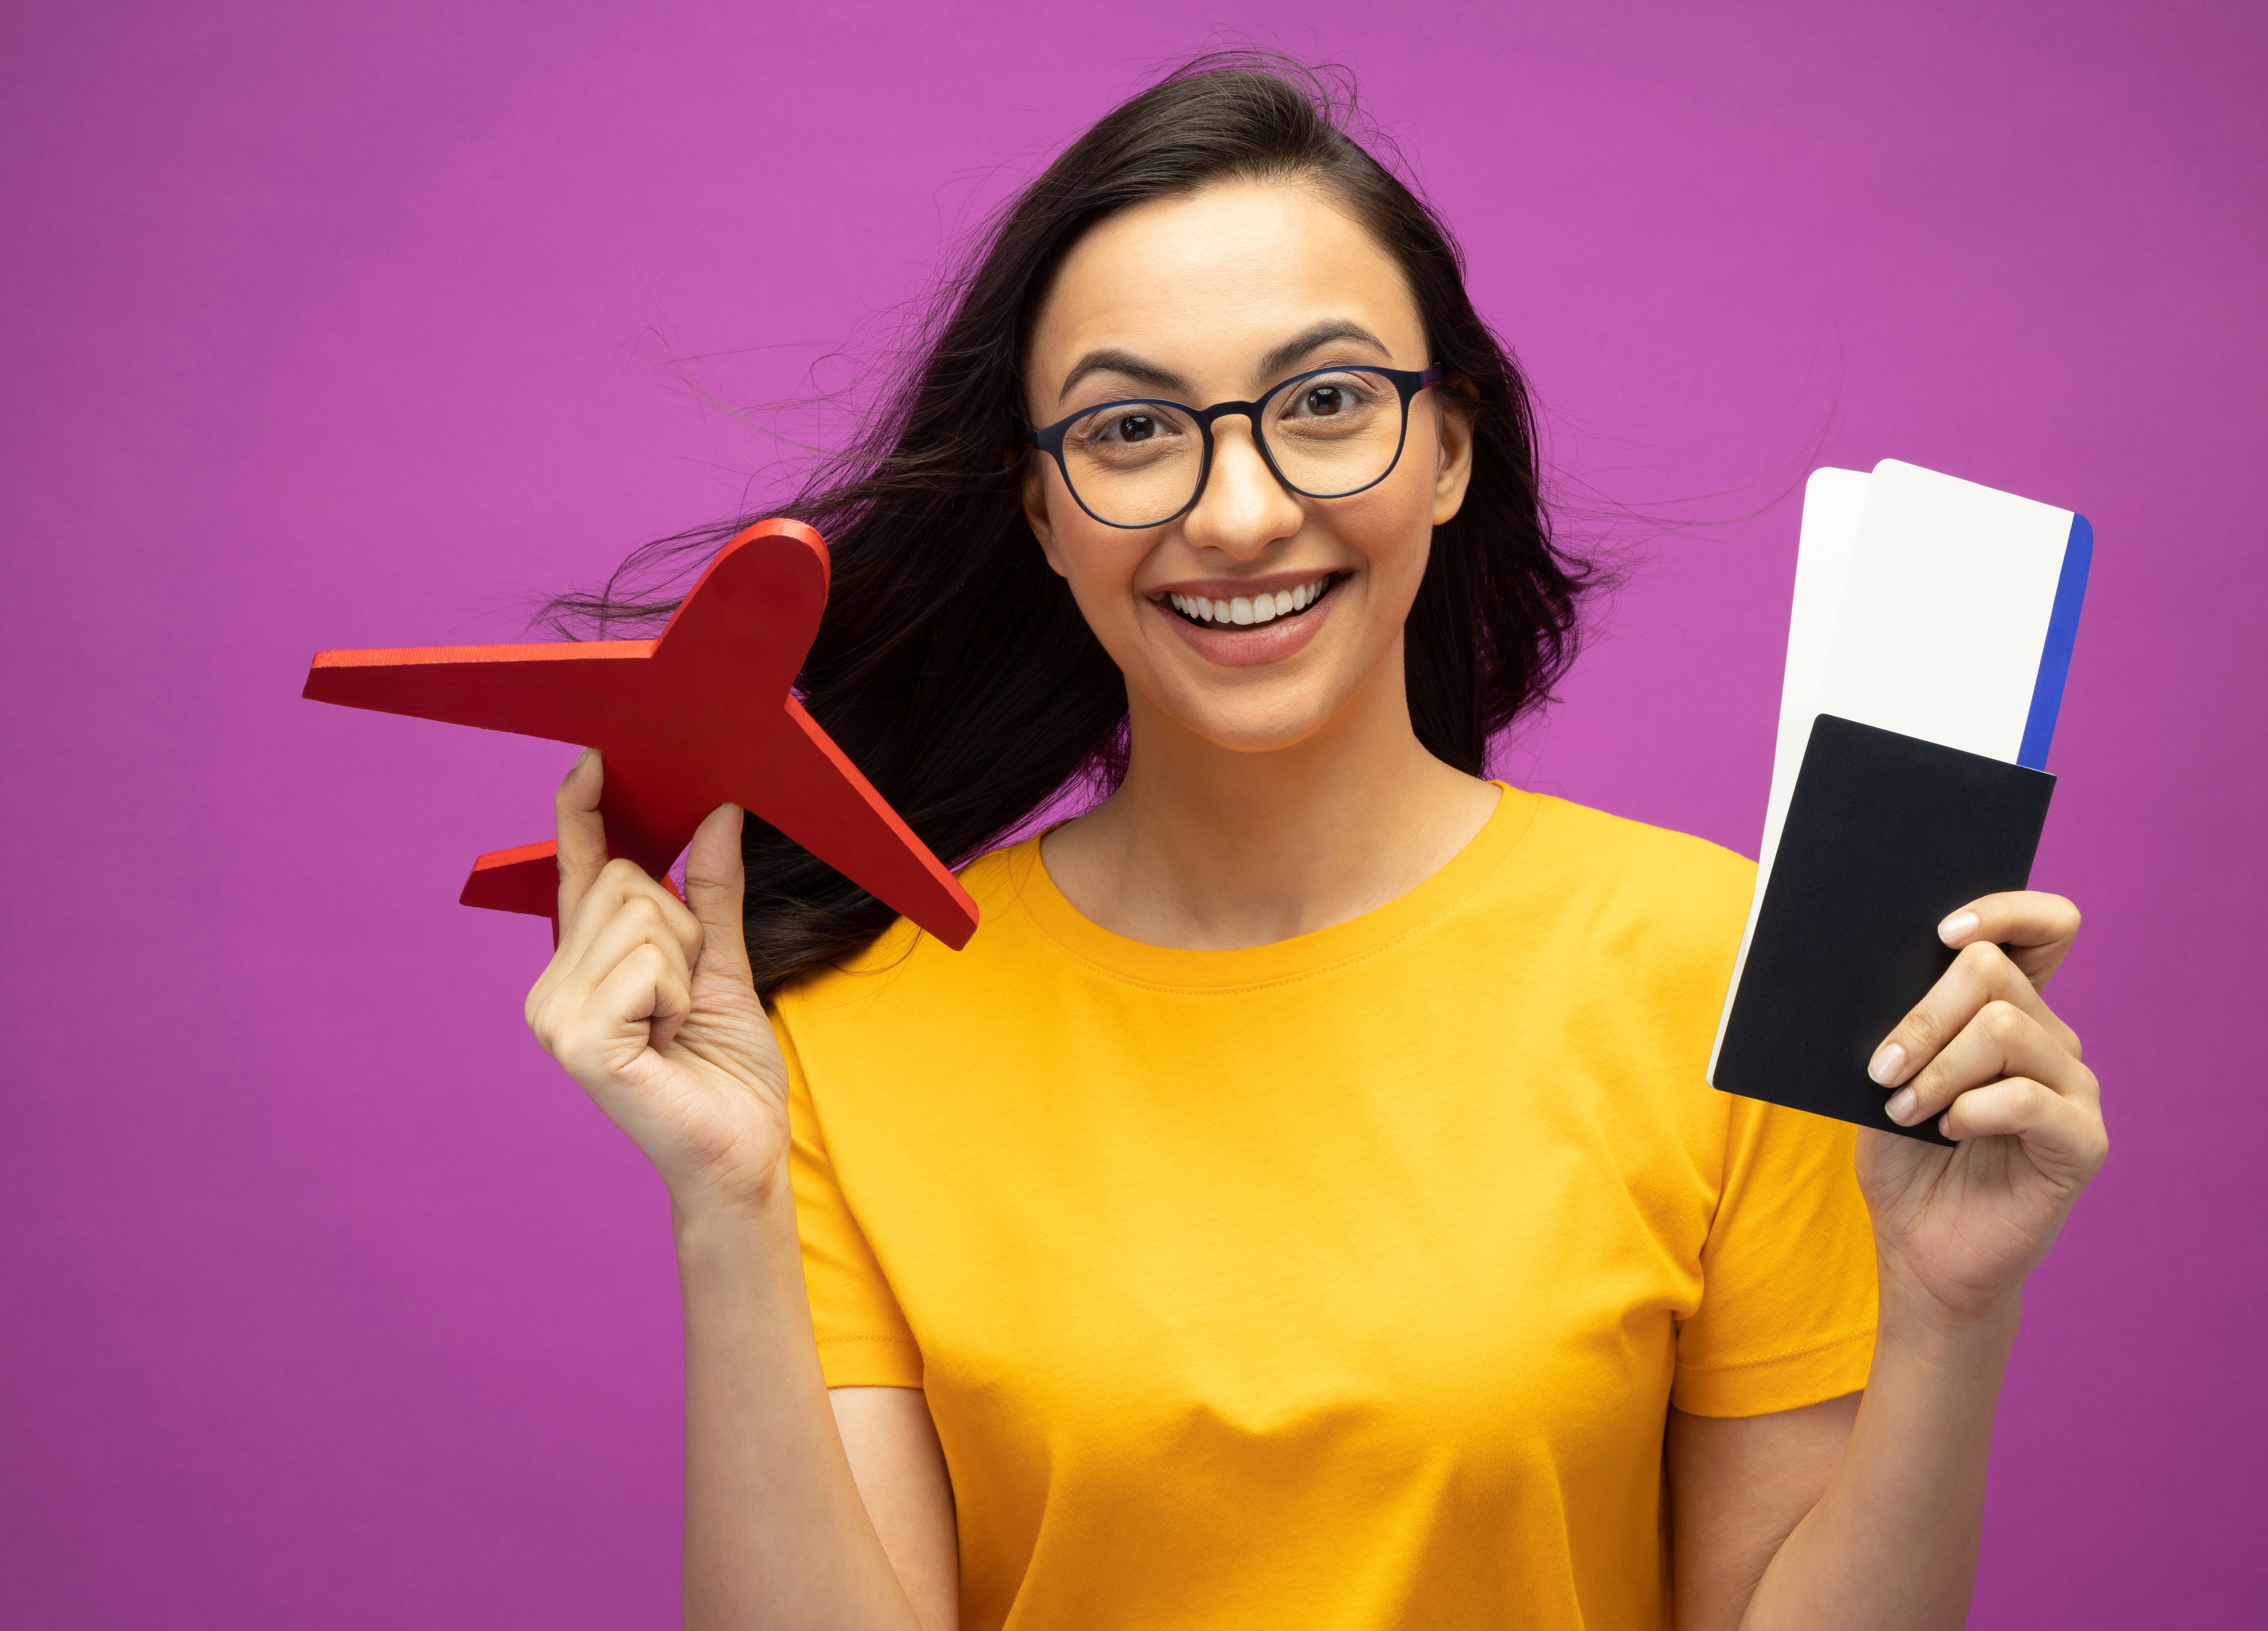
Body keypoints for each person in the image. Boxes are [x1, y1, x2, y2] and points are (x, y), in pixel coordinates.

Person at [523, 55, 2107, 1631]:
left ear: (1450, 449)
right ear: (1043, 510)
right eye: (1131, 428)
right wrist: (724, 1208)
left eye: (1329, 403)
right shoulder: (858, 1026)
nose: (1239, 514)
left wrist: (1949, 1320)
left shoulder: (1714, 971)